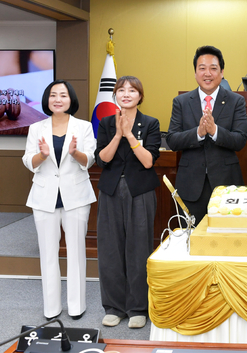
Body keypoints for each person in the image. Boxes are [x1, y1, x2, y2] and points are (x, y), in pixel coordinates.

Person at [22, 80, 96, 320]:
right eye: (53, 95)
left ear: (70, 99)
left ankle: (76, 307)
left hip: (75, 196)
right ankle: (51, 308)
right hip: (44, 197)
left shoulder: (83, 127)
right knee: (48, 253)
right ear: (47, 100)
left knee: (76, 253)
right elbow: (28, 162)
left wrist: (75, 153)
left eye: (63, 95)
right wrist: (42, 156)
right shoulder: (36, 128)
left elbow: (90, 161)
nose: (58, 99)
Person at [95, 76, 161, 329]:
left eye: (132, 90)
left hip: (140, 191)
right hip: (111, 190)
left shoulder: (151, 123)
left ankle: (137, 307)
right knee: (110, 249)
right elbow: (103, 159)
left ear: (140, 96)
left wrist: (130, 136)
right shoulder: (106, 123)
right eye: (121, 90)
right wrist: (117, 135)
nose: (126, 94)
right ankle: (113, 306)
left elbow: (147, 161)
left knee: (138, 249)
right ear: (115, 96)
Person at [166, 45, 247, 224]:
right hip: (191, 185)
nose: (207, 73)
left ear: (222, 72)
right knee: (191, 240)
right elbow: (172, 139)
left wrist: (215, 131)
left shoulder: (236, 101)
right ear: (195, 73)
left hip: (226, 184)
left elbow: (240, 140)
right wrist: (198, 133)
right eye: (202, 68)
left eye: (213, 68)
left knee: (226, 239)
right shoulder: (181, 102)